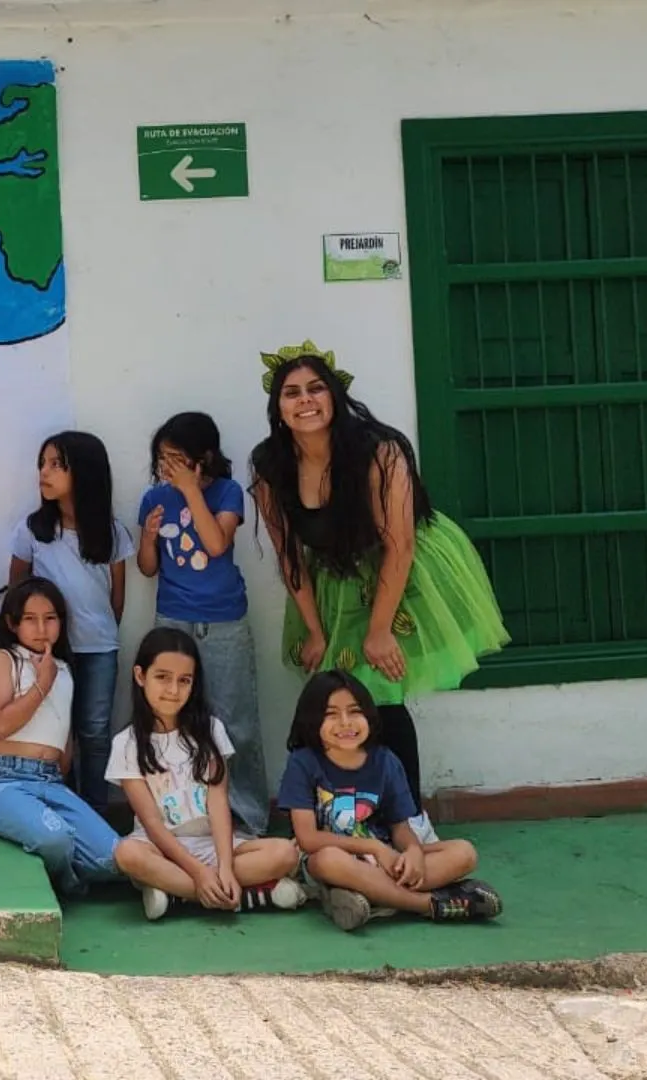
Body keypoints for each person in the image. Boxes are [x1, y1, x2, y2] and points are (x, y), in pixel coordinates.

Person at [248, 347, 509, 843]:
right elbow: (288, 555)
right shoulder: (269, 465)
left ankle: (410, 822)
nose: (305, 401)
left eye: (316, 388)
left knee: (382, 696)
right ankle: (343, 822)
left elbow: (400, 542)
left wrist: (380, 630)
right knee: (334, 695)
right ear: (277, 406)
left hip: (400, 571)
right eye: (292, 392)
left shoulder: (379, 450)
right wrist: (315, 630)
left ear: (335, 394)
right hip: (332, 577)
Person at [277, 670, 502, 930]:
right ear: (311, 720)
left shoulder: (386, 761)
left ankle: (370, 897)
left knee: (464, 852)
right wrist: (372, 848)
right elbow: (308, 839)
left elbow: (400, 827)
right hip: (335, 859)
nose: (345, 723)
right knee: (328, 860)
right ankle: (429, 904)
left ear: (369, 715)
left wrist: (413, 852)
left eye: (354, 711)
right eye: (331, 714)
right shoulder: (303, 762)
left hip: (385, 860)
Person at [109, 628, 304, 921]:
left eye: (184, 681)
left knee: (286, 854)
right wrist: (198, 872)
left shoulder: (211, 731)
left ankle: (181, 895)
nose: (173, 690)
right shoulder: (126, 744)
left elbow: (218, 802)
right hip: (161, 850)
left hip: (214, 844)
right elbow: (151, 822)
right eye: (162, 677)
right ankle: (245, 895)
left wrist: (224, 866)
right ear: (140, 676)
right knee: (126, 854)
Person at [136, 411, 267, 835]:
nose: (166, 468)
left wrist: (192, 491)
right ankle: (181, 817)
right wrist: (149, 539)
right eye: (162, 459)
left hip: (224, 621)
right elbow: (147, 568)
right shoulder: (153, 499)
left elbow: (215, 543)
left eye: (176, 458)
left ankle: (247, 820)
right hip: (173, 619)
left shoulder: (228, 492)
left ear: (203, 458)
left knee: (235, 723)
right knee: (171, 716)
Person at [0, 578, 124, 895]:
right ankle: (72, 886)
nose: (41, 628)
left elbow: (64, 743)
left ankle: (77, 871)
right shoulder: (4, 659)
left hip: (51, 781)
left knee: (115, 855)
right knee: (55, 839)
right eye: (30, 619)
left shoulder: (63, 670)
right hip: (4, 779)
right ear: (12, 624)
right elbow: (1, 725)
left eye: (50, 618)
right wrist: (42, 682)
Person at [8, 431, 133, 810]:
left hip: (98, 648)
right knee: (54, 730)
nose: (44, 473)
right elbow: (18, 590)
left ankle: (93, 809)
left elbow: (116, 598)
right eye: (42, 464)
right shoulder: (32, 531)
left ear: (86, 472)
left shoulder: (111, 533)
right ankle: (59, 807)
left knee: (95, 731)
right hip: (47, 651)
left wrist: (99, 632)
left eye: (56, 465)